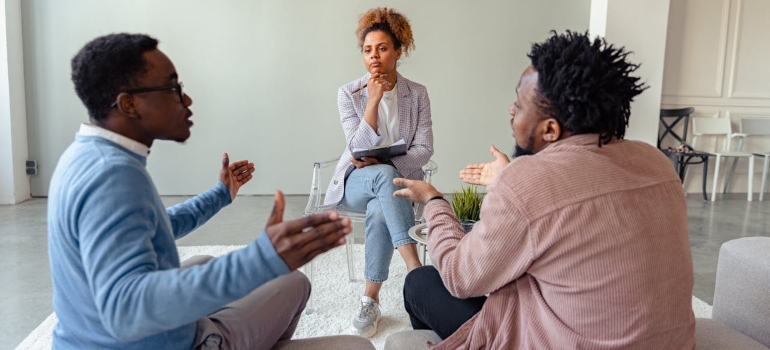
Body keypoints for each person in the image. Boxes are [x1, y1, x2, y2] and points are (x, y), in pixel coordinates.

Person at [48, 33, 375, 350]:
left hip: (83, 337)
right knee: (296, 285)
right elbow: (126, 309)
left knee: (202, 262)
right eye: (173, 88)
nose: (186, 99)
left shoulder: (87, 155)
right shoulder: (114, 175)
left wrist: (219, 194)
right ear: (129, 104)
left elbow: (152, 227)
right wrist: (262, 259)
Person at [392, 31, 696, 349]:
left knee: (421, 281)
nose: (511, 110)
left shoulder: (530, 180)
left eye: (520, 105)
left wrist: (434, 200)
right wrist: (509, 181)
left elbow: (459, 277)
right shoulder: (656, 162)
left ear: (550, 129)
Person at [324, 7, 434, 338]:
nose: (374, 56)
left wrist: (387, 165)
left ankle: (369, 300)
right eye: (368, 50)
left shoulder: (417, 94)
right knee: (382, 181)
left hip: (392, 186)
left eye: (382, 48)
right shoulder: (349, 93)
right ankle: (416, 272)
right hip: (354, 184)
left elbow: (425, 149)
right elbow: (357, 150)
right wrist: (372, 102)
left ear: (398, 51)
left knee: (381, 205)